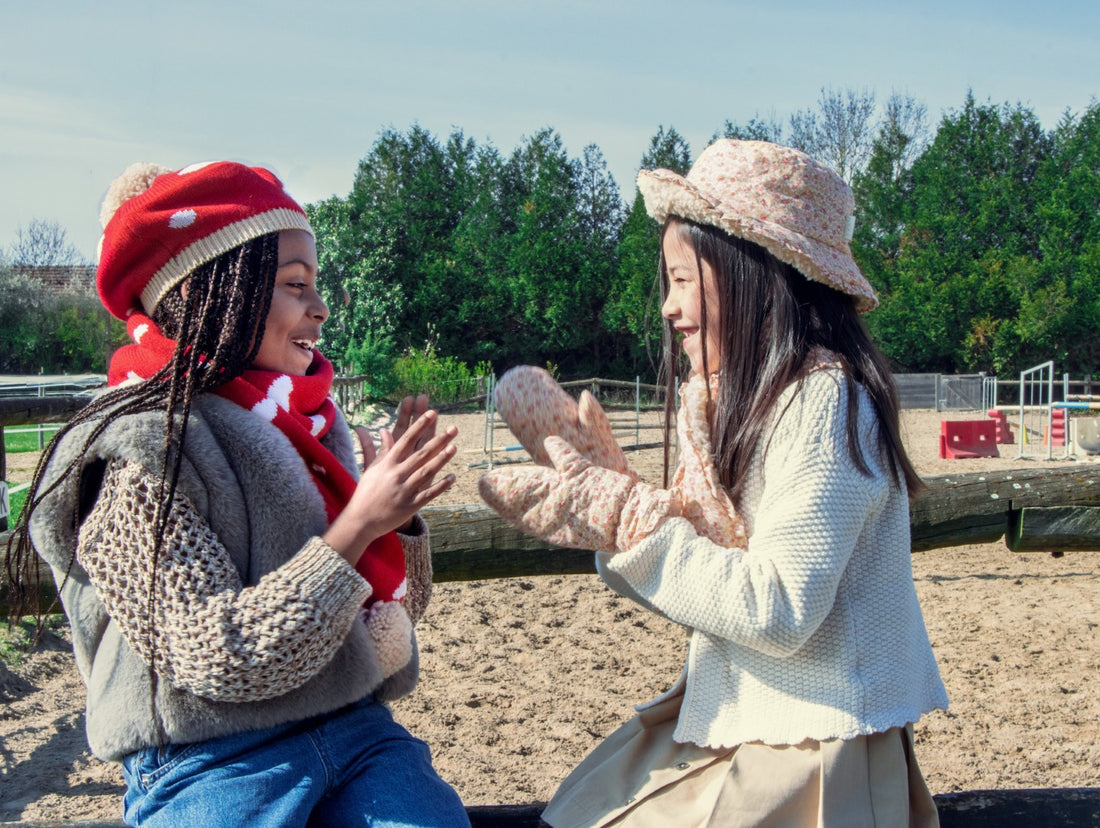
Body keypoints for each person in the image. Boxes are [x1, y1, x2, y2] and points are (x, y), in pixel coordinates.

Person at [479, 139, 949, 827]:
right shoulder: (723, 405)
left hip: (819, 741)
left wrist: (633, 517)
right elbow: (696, 585)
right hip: (749, 717)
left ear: (751, 272)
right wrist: (614, 512)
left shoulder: (823, 402)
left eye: (680, 279)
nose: (668, 307)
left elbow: (778, 609)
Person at [8, 160, 471, 827]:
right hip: (209, 758)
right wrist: (358, 525)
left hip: (356, 729)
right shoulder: (137, 451)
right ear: (215, 293)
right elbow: (216, 657)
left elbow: (393, 614)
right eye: (294, 286)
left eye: (314, 285)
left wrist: (397, 519)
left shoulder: (314, 426)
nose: (321, 307)